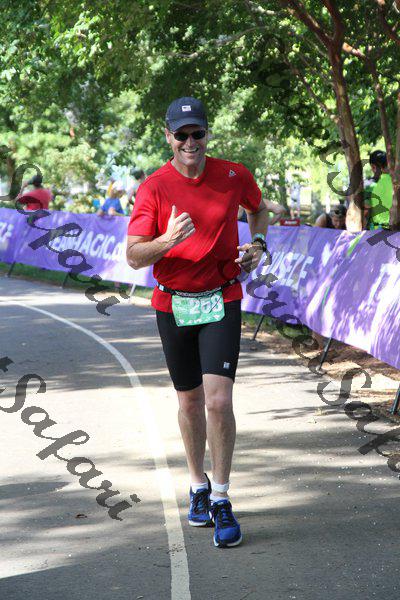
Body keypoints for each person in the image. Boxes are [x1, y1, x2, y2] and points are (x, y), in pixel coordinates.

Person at [126, 96, 268, 548]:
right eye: (181, 134)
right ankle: (198, 486)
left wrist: (258, 244)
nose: (190, 142)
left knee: (218, 401)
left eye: (197, 133)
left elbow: (258, 209)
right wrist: (166, 240)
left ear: (208, 133)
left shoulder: (234, 175)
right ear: (168, 136)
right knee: (189, 403)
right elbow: (133, 256)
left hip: (222, 297)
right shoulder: (154, 188)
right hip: (174, 304)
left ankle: (222, 497)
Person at [364, 150, 393, 230]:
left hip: (379, 229)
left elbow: (365, 210)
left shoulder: (369, 185)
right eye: (384, 165)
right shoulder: (395, 182)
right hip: (387, 229)